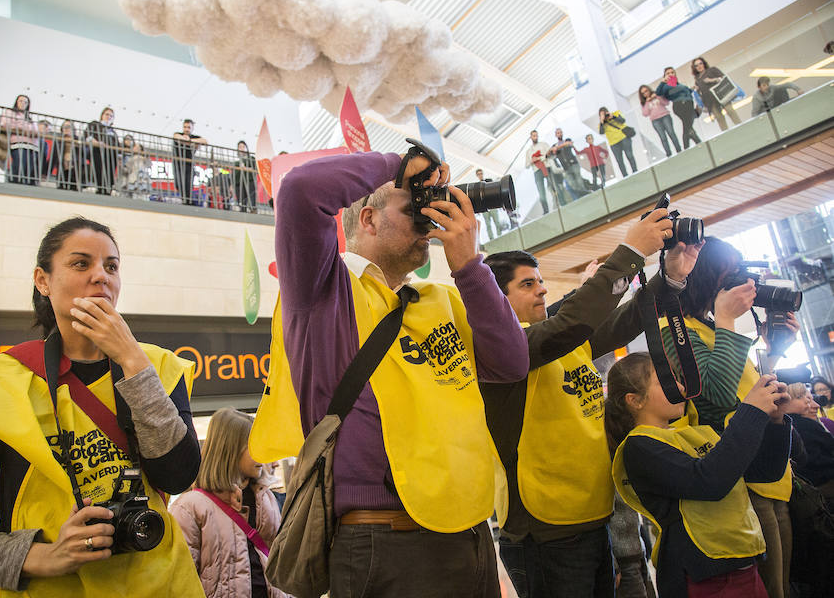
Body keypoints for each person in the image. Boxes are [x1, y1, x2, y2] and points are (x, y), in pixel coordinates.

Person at [251, 148, 530, 597]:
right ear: (369, 218)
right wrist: (400, 166)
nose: (429, 221)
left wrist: (469, 266)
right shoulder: (324, 291)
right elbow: (301, 190)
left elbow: (511, 363)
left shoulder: (442, 297)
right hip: (384, 538)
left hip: (470, 531)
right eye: (415, 207)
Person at [0, 217, 204, 595]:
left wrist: (132, 360)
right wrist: (45, 556)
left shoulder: (158, 367)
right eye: (81, 264)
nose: (101, 276)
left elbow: (178, 476)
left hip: (165, 585)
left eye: (111, 266)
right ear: (42, 281)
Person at [481, 215, 699, 598]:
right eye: (528, 284)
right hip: (545, 531)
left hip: (594, 519)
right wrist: (630, 253)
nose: (543, 292)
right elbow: (576, 319)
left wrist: (671, 277)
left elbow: (628, 318)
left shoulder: (565, 341)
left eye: (542, 282)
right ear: (497, 298)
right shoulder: (504, 352)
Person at [659, 236, 800, 598]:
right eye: (732, 271)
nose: (741, 281)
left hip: (771, 479)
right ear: (708, 276)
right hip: (744, 490)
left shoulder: (713, 329)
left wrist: (776, 352)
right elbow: (717, 397)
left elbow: (751, 394)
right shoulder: (676, 331)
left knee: (785, 586)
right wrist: (726, 318)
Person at [605, 353, 792, 598]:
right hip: (705, 576)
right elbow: (710, 481)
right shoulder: (638, 448)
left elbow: (763, 471)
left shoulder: (690, 434)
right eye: (666, 381)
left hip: (743, 563)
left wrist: (775, 422)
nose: (681, 387)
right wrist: (750, 412)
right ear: (635, 400)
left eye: (677, 379)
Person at [170, 408, 289, 598]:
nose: (262, 454)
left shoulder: (267, 499)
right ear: (231, 449)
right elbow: (182, 578)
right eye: (253, 446)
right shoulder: (190, 507)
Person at [785, 383, 834, 501]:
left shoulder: (792, 424)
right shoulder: (802, 425)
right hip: (821, 482)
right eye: (799, 397)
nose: (813, 404)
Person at [691, 56, 742, 132]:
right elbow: (700, 94)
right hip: (710, 102)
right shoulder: (697, 80)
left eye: (700, 64)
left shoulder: (712, 70)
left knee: (730, 111)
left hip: (722, 96)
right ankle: (727, 135)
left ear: (704, 64)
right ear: (694, 68)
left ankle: (741, 127)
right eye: (696, 65)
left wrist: (711, 80)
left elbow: (723, 78)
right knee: (719, 118)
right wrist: (697, 90)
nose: (699, 66)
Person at [656, 67, 702, 149]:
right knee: (688, 126)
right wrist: (662, 82)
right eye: (668, 73)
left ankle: (688, 147)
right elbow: (658, 92)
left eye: (672, 72)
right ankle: (696, 143)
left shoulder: (677, 84)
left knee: (687, 127)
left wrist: (692, 89)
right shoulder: (666, 85)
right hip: (680, 105)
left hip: (688, 104)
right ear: (665, 76)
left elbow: (686, 91)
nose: (670, 74)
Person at [0, 94, 39, 185]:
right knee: (19, 164)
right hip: (18, 143)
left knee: (28, 168)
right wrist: (23, 128)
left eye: (25, 102)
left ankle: (24, 184)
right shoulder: (10, 112)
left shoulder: (29, 117)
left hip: (31, 146)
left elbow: (36, 131)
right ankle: (15, 183)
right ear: (16, 102)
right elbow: (5, 124)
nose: (23, 103)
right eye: (21, 101)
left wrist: (23, 128)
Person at [172, 119, 207, 206]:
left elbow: (204, 141)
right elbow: (176, 136)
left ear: (192, 128)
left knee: (188, 184)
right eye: (185, 127)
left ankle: (187, 202)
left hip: (189, 165)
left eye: (189, 127)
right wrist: (185, 139)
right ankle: (186, 201)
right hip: (178, 164)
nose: (186, 129)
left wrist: (190, 141)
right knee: (178, 183)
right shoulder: (178, 134)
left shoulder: (193, 137)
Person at [639, 85, 681, 158]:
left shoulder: (657, 94)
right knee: (663, 137)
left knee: (671, 133)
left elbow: (666, 103)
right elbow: (645, 113)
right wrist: (647, 102)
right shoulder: (644, 103)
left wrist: (657, 97)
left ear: (649, 89)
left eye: (646, 91)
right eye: (643, 93)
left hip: (665, 116)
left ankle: (679, 150)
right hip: (655, 120)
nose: (646, 93)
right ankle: (669, 154)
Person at [85, 107, 119, 195]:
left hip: (111, 155)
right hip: (98, 152)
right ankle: (100, 189)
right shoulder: (94, 125)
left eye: (111, 116)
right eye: (107, 114)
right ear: (102, 115)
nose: (109, 117)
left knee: (110, 174)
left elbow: (118, 145)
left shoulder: (113, 132)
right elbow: (87, 136)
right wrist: (97, 143)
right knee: (99, 170)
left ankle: (108, 190)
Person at [599, 107, 638, 177]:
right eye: (602, 115)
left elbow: (622, 120)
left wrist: (613, 117)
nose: (605, 116)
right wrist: (602, 122)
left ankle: (635, 172)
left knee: (629, 155)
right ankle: (625, 176)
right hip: (613, 143)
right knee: (619, 161)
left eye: (605, 113)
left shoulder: (616, 113)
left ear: (607, 111)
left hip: (624, 138)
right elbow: (601, 132)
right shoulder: (601, 124)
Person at [549, 127, 587, 198]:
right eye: (558, 133)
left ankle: (584, 193)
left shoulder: (567, 140)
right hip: (565, 167)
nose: (559, 134)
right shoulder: (554, 146)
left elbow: (569, 143)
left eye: (560, 132)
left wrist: (557, 148)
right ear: (556, 135)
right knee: (571, 183)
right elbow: (549, 153)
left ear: (562, 133)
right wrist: (553, 149)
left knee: (579, 180)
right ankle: (581, 194)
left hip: (573, 164)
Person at [51, 120, 84, 192]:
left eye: (68, 127)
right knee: (61, 190)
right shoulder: (59, 141)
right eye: (64, 127)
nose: (66, 128)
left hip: (75, 171)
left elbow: (84, 154)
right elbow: (53, 157)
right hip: (62, 170)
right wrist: (46, 171)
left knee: (75, 190)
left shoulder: (78, 140)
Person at [116, 135, 152, 200]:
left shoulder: (140, 158)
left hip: (139, 178)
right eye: (135, 147)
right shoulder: (132, 158)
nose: (135, 148)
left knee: (138, 193)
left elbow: (149, 164)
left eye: (137, 147)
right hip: (133, 178)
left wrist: (145, 158)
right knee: (134, 193)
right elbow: (126, 169)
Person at [524, 129, 552, 214]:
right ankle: (546, 211)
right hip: (537, 171)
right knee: (541, 193)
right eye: (533, 136)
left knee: (552, 187)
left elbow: (549, 153)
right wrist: (532, 161)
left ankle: (559, 204)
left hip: (546, 167)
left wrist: (539, 158)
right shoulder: (528, 151)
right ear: (531, 137)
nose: (535, 137)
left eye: (536, 135)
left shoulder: (543, 145)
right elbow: (527, 165)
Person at [476, 168, 502, 241]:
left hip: (493, 205)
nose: (480, 175)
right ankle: (491, 239)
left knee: (497, 221)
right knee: (488, 224)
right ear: (477, 176)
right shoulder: (477, 185)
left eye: (481, 173)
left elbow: (495, 192)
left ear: (483, 174)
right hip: (484, 207)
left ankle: (500, 235)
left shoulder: (489, 181)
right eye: (478, 174)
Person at [234, 140, 257, 213]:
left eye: (243, 147)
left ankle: (252, 209)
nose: (241, 149)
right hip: (239, 183)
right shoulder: (236, 161)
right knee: (241, 199)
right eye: (240, 147)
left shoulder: (251, 158)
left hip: (249, 181)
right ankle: (242, 209)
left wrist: (245, 168)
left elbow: (255, 169)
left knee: (251, 196)